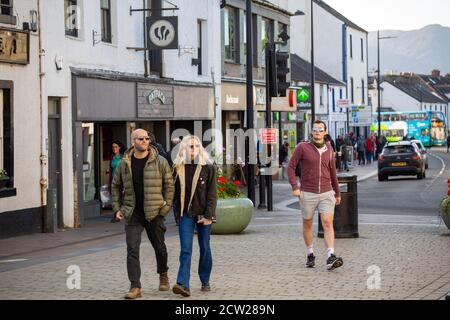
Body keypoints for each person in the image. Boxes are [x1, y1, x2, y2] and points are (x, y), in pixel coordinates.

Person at [111, 129, 174, 300]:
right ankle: (135, 286)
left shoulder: (160, 161)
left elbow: (170, 186)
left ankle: (163, 274)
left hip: (155, 213)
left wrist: (165, 209)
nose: (145, 141)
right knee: (132, 249)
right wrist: (117, 208)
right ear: (133, 141)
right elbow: (115, 185)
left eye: (147, 138)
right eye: (141, 139)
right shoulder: (125, 163)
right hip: (133, 213)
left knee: (159, 248)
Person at [287, 120, 343, 271]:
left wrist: (337, 192)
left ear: (325, 132)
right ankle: (310, 253)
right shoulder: (302, 147)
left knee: (327, 222)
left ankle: (331, 255)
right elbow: (290, 167)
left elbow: (332, 172)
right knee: (308, 223)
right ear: (311, 132)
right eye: (315, 130)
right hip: (307, 192)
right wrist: (295, 186)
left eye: (320, 130)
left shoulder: (330, 149)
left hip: (326, 192)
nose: (317, 132)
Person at [172, 135, 217, 297]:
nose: (194, 149)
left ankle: (205, 280)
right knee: (185, 249)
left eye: (196, 146)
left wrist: (209, 216)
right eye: (190, 146)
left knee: (204, 248)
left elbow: (212, 195)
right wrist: (174, 212)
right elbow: (173, 194)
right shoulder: (177, 167)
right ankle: (183, 284)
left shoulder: (208, 167)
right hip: (186, 214)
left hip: (203, 214)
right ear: (184, 148)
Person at [108, 140, 126, 222]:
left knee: (122, 198)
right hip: (114, 180)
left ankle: (121, 214)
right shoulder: (112, 157)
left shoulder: (123, 157)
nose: (114, 149)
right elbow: (111, 170)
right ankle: (116, 215)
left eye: (116, 147)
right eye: (113, 147)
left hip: (122, 180)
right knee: (115, 198)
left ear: (120, 147)